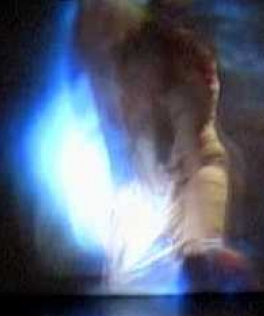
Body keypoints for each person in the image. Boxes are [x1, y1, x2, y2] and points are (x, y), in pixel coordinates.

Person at [73, 0, 246, 284]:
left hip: (190, 182)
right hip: (148, 199)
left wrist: (203, 242)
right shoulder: (119, 69)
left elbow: (195, 152)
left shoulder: (185, 68)